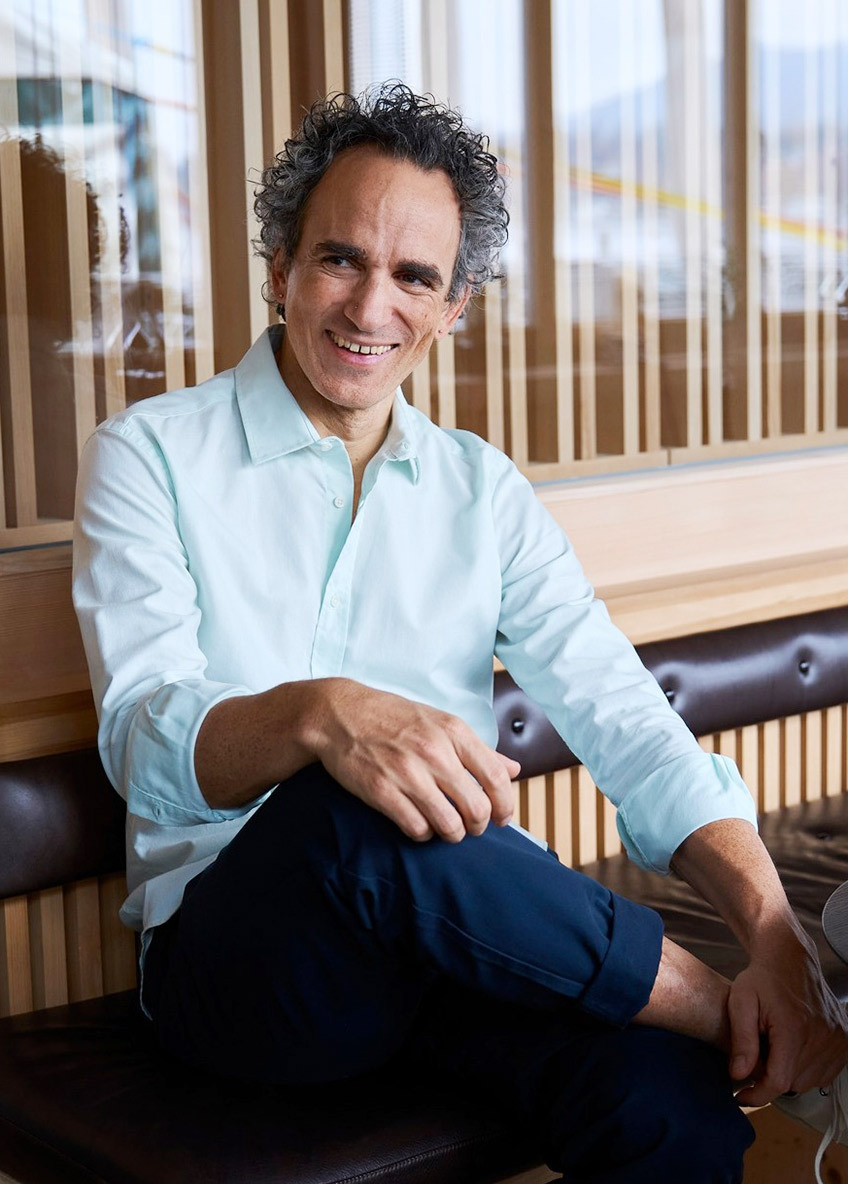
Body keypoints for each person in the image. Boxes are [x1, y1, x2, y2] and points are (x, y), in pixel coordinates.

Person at [72, 84, 847, 1183]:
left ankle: (740, 1022)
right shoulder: (146, 456)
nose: (370, 305)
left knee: (665, 1103)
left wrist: (773, 934)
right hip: (246, 967)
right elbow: (142, 738)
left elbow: (623, 716)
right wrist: (320, 717)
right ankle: (730, 1018)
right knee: (352, 806)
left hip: (452, 951)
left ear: (453, 308)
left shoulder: (481, 491)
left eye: (414, 277)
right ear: (279, 267)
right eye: (339, 259)